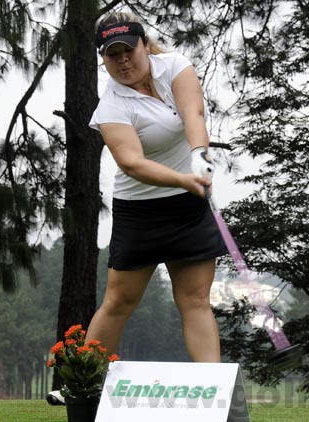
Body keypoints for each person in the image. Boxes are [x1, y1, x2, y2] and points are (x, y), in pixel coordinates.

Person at [88, 13, 226, 362]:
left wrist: (198, 156)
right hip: (141, 211)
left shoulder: (175, 66)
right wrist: (184, 178)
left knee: (195, 300)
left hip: (187, 205)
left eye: (128, 51)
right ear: (103, 59)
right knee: (120, 301)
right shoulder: (112, 106)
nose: (122, 60)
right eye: (111, 54)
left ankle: (215, 393)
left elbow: (193, 113)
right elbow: (132, 163)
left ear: (145, 46)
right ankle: (84, 384)